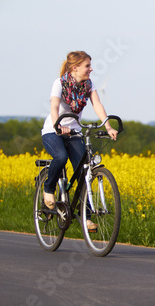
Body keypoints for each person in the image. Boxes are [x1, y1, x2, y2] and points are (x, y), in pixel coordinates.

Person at [41, 51, 118, 232]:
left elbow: (97, 105)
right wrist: (58, 125)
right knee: (60, 158)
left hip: (74, 132)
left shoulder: (88, 85)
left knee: (85, 173)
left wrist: (108, 126)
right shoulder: (59, 83)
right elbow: (54, 107)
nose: (91, 69)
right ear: (75, 68)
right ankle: (48, 189)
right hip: (53, 131)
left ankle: (87, 217)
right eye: (87, 66)